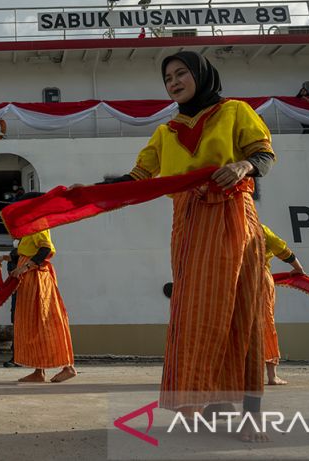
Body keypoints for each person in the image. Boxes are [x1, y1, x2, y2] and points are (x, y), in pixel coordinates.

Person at [94, 51, 275, 442]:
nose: (174, 82)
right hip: (188, 224)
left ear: (201, 75)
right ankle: (207, 399)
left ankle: (252, 414)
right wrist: (88, 192)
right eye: (167, 78)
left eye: (181, 73)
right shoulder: (166, 132)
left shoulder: (234, 111)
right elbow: (137, 177)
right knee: (193, 315)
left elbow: (263, 154)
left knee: (242, 312)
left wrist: (243, 166)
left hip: (231, 216)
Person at [7, 193, 76, 383]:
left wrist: (24, 267)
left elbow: (45, 249)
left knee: (46, 322)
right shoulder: (30, 225)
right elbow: (27, 249)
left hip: (37, 278)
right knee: (34, 324)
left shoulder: (39, 222)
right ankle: (39, 371)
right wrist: (8, 259)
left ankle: (68, 366)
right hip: (29, 278)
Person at [261, 224, 305, 386]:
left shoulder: (226, 228)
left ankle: (236, 375)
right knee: (266, 324)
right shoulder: (259, 228)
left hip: (234, 281)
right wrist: (298, 268)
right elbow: (281, 248)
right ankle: (272, 376)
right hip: (259, 280)